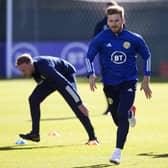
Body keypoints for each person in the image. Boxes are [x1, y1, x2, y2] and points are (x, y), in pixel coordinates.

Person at [85, 5, 152, 164]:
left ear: (123, 20)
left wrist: (146, 79)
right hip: (109, 84)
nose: (113, 23)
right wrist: (91, 74)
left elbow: (147, 56)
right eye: (111, 21)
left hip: (128, 82)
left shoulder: (134, 38)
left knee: (121, 115)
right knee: (117, 119)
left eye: (117, 20)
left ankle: (117, 152)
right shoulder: (101, 38)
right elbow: (88, 57)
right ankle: (130, 114)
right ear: (107, 21)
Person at [16, 53, 99, 145]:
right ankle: (35, 134)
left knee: (76, 106)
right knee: (33, 99)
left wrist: (79, 103)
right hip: (50, 79)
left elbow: (64, 84)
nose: (23, 73)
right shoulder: (33, 69)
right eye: (21, 71)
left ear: (30, 64)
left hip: (66, 76)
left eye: (24, 70)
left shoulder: (44, 67)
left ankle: (93, 138)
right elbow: (43, 81)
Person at [93, 0, 118, 115]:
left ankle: (122, 104)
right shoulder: (100, 25)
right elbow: (95, 41)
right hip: (105, 58)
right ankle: (110, 106)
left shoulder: (119, 23)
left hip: (118, 57)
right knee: (107, 83)